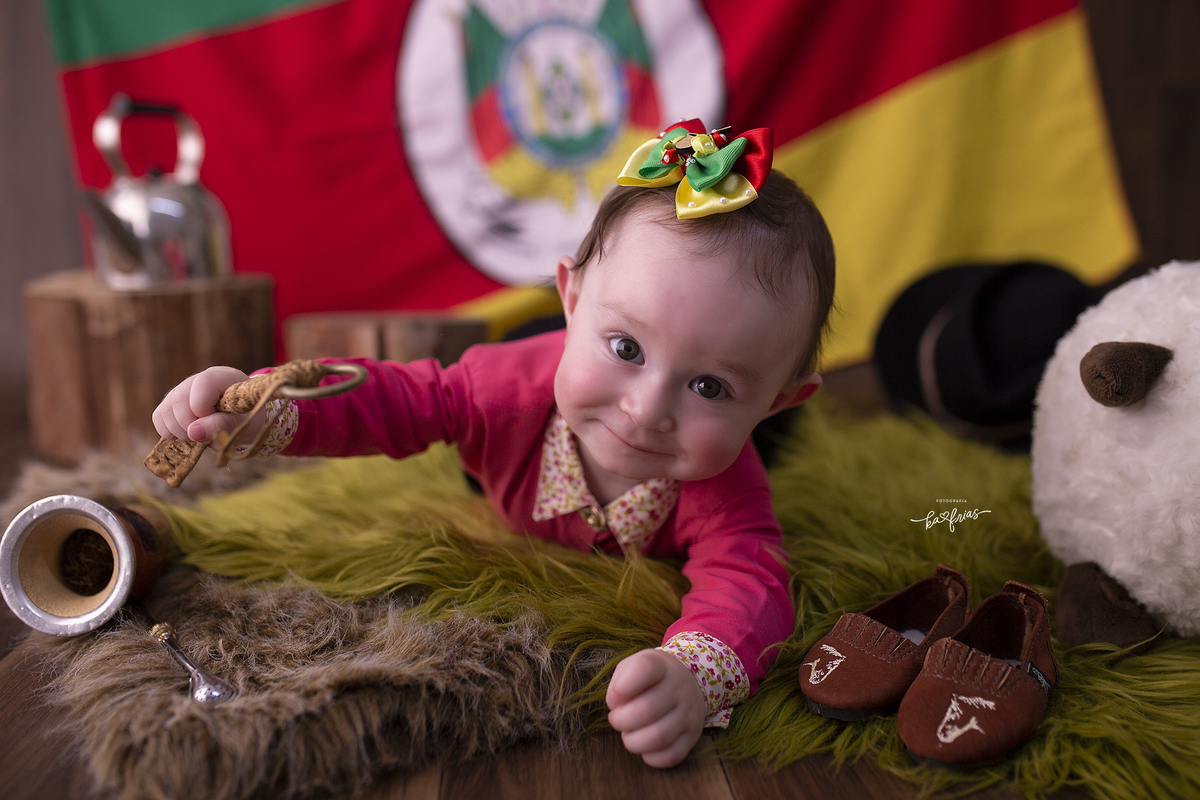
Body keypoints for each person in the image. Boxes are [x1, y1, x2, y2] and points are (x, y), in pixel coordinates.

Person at [152, 121, 836, 768]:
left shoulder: (726, 484)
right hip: (525, 408)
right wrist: (270, 407)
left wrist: (695, 672)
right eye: (626, 346)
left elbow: (751, 580)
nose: (646, 408)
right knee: (481, 385)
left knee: (754, 446)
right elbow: (393, 399)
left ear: (777, 398)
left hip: (691, 418)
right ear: (572, 299)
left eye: (710, 386)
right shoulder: (499, 392)